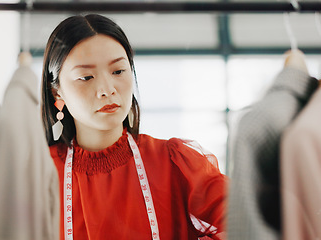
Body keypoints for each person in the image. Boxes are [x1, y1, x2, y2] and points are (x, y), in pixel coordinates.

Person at [41, 14, 227, 240]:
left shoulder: (175, 165)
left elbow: (250, 222)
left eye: (118, 71)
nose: (107, 89)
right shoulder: (38, 176)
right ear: (56, 92)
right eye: (86, 77)